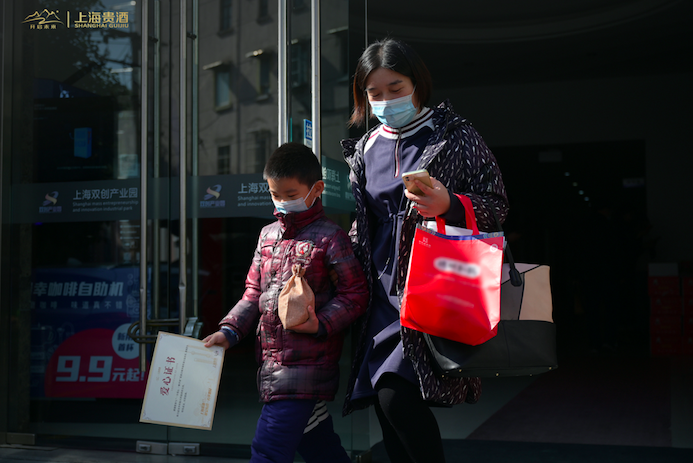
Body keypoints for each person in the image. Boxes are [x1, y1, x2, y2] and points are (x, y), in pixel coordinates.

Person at [341, 39, 509, 463]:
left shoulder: (455, 135)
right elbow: (365, 223)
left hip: (432, 283)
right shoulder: (365, 147)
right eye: (374, 93)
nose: (385, 100)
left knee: (394, 395)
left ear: (417, 83)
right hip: (379, 294)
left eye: (395, 88)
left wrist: (450, 203)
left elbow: (497, 204)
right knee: (385, 407)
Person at [203, 142, 369, 463]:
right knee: (319, 446)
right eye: (275, 194)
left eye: (291, 194)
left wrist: (321, 323)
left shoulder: (330, 237)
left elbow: (355, 294)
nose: (282, 201)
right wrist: (229, 331)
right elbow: (253, 292)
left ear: (316, 189)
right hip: (273, 365)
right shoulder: (267, 236)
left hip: (306, 367)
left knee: (268, 450)